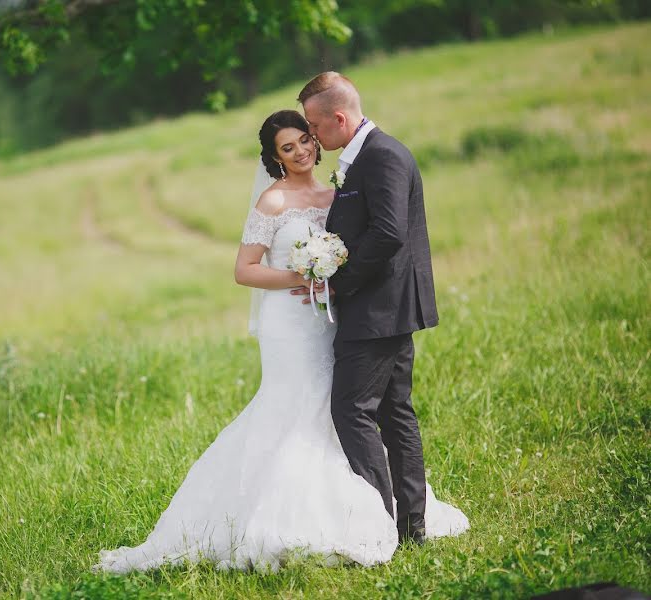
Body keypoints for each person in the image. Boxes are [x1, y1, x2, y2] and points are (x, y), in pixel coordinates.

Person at [95, 109, 467, 574]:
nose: (301, 152)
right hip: (289, 323)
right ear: (274, 158)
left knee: (341, 406)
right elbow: (244, 269)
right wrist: (301, 273)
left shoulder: (337, 191)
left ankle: (373, 506)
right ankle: (290, 514)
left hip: (332, 317)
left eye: (304, 141)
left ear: (316, 138)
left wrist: (330, 274)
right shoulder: (272, 202)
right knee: (296, 404)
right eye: (287, 148)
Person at [297, 71, 441, 545]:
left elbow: (389, 232)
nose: (313, 137)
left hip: (379, 309)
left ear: (339, 118)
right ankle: (409, 527)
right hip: (386, 307)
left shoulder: (382, 157)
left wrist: (339, 280)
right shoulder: (361, 159)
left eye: (315, 127)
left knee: (352, 409)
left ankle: (380, 525)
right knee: (394, 412)